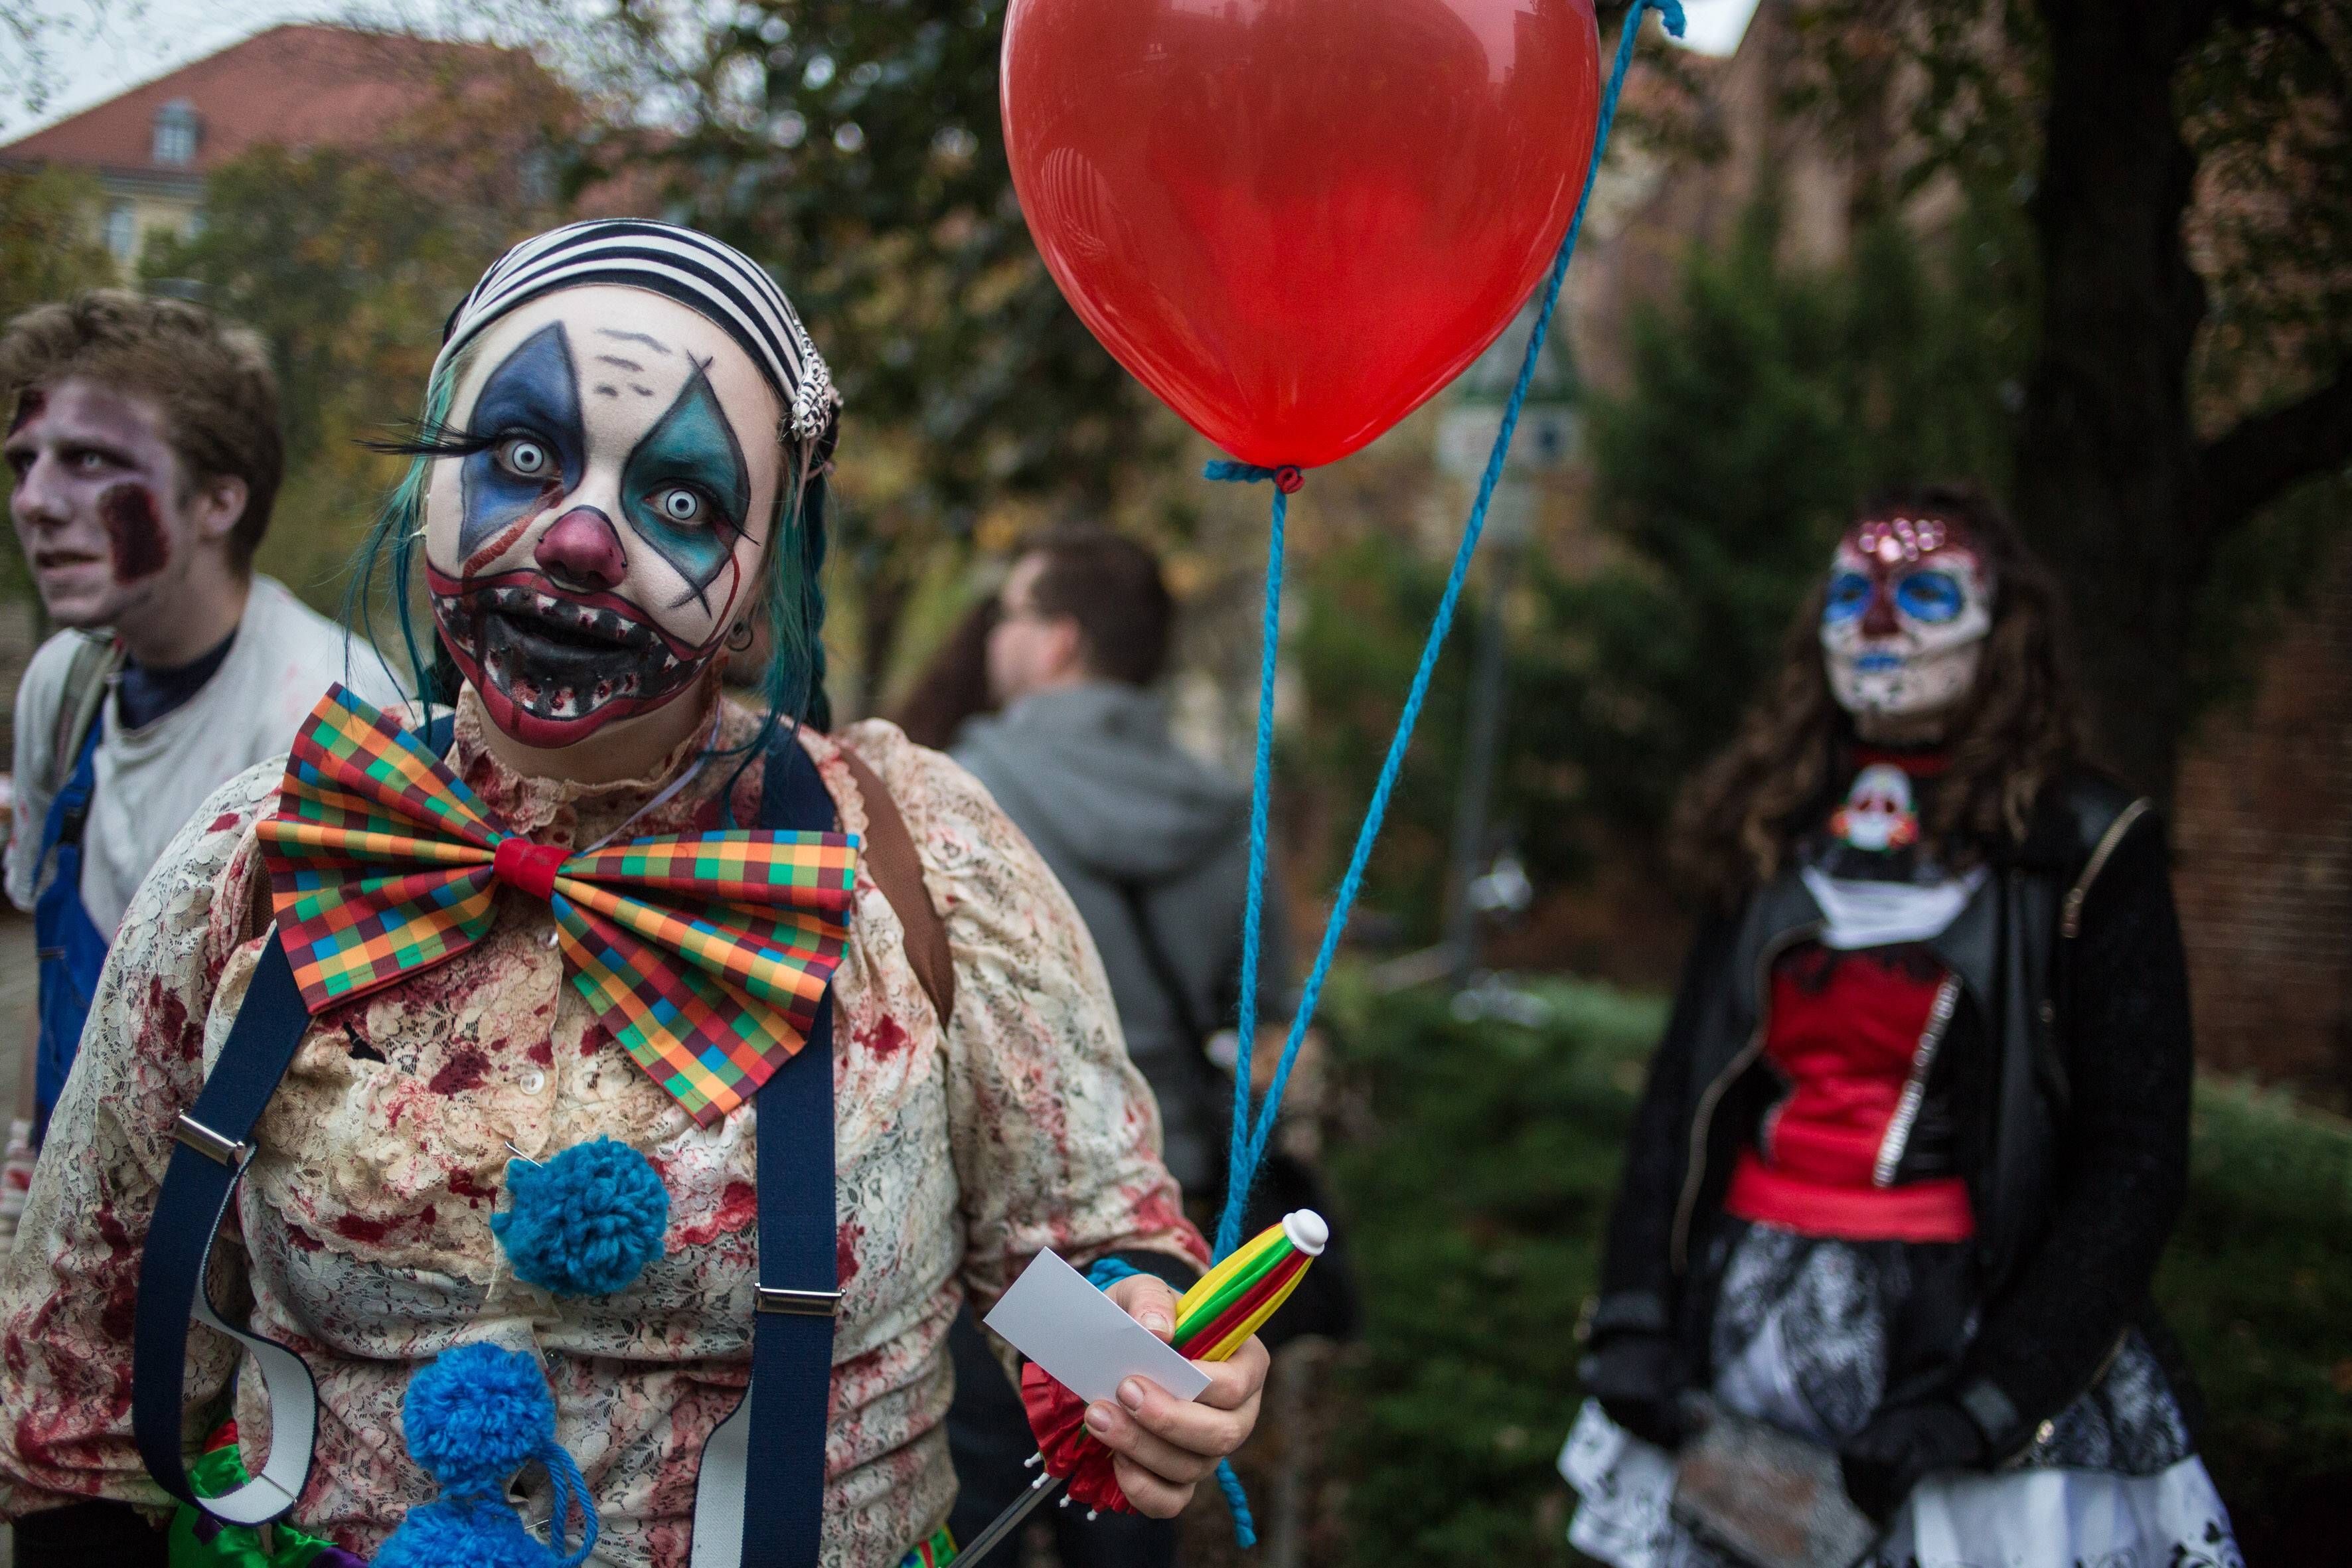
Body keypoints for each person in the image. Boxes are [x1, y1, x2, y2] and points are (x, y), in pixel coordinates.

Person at [0, 222, 1264, 1567]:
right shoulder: (260, 854)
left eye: (679, 501)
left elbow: (1061, 1267)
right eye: (521, 460)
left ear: (765, 562)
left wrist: (1139, 1352)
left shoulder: (920, 861)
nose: (583, 537)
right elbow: (82, 1377)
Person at [1559, 485, 2240, 1568]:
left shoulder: (2085, 845)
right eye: (1852, 593)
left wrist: (1992, 1396)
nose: (1879, 624)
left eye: (1923, 592)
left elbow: (2136, 1157)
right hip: (1747, 1331)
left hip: (1970, 1330)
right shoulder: (1771, 817)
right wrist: (1637, 1310)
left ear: (1999, 624)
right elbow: (1682, 1084)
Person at [0, 291, 400, 1241]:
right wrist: (29, 1160)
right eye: (27, 461)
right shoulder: (65, 682)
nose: (34, 499)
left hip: (225, 1264)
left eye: (90, 460)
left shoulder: (332, 713)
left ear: (220, 499)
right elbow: (58, 962)